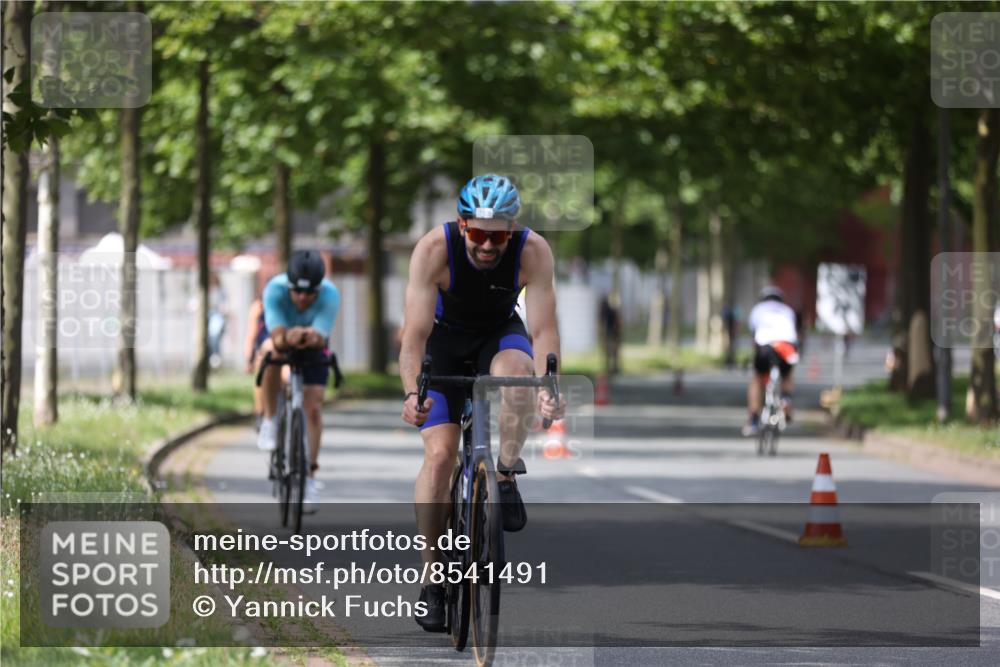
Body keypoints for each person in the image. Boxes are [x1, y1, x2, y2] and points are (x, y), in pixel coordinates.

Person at [399, 174, 562, 632]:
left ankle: (506, 473)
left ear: (512, 230)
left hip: (498, 335)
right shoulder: (433, 250)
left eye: (499, 235)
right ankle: (433, 579)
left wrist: (550, 385)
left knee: (517, 375)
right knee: (439, 456)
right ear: (462, 223)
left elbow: (544, 329)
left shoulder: (534, 252)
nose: (489, 245)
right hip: (443, 343)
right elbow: (413, 336)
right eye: (479, 234)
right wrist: (413, 393)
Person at [256, 250, 341, 512]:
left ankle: (310, 479)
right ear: (289, 286)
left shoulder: (330, 294)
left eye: (309, 293)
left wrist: (307, 336)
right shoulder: (274, 290)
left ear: (319, 288)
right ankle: (270, 420)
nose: (303, 298)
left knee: (313, 407)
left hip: (313, 346)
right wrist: (289, 336)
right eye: (297, 292)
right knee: (270, 352)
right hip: (282, 340)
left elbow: (318, 337)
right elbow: (278, 336)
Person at [743, 286, 799, 437]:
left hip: (766, 346)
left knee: (757, 378)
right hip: (787, 346)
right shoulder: (788, 310)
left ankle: (754, 418)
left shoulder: (758, 309)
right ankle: (786, 400)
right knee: (786, 375)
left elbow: (754, 337)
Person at [244, 295, 268, 429]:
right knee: (261, 374)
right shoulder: (258, 308)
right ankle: (260, 412)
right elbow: (251, 336)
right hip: (262, 350)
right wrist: (249, 360)